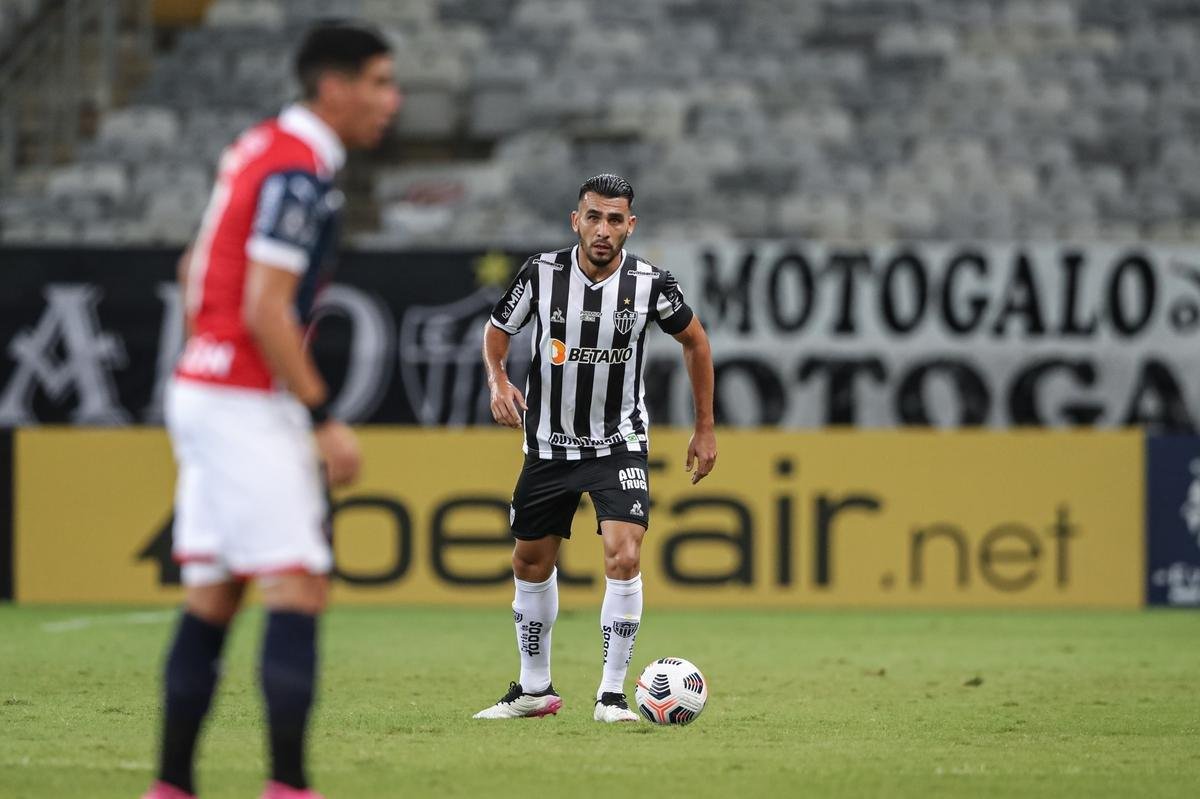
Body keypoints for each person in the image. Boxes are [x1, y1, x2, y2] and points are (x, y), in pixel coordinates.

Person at [141, 22, 401, 799]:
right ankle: (287, 785)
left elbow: (195, 265)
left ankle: (173, 784)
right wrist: (322, 417)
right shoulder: (298, 175)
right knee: (297, 586)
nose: (393, 101)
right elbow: (265, 306)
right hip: (244, 401)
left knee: (215, 592)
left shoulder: (256, 147)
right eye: (381, 82)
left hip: (206, 386)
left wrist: (205, 362)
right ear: (336, 86)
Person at [473, 174, 718, 723]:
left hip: (619, 442)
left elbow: (696, 341)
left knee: (624, 554)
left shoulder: (652, 284)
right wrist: (497, 380)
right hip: (548, 443)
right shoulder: (541, 274)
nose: (603, 230)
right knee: (531, 561)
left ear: (630, 225)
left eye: (615, 219)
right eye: (593, 217)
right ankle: (535, 689)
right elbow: (497, 329)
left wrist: (704, 426)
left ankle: (610, 695)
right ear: (575, 221)